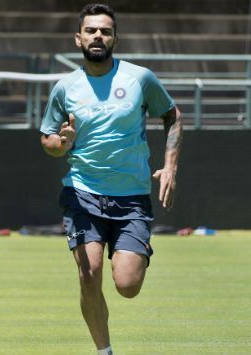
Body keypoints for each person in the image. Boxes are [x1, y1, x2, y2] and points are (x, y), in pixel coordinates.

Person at [39, 4, 182, 354]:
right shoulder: (65, 87)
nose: (98, 36)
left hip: (131, 196)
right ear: (78, 38)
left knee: (127, 284)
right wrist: (63, 143)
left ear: (115, 37)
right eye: (91, 31)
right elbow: (48, 140)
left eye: (105, 30)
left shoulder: (139, 78)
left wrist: (170, 166)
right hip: (82, 193)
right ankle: (104, 351)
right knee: (89, 275)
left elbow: (173, 116)